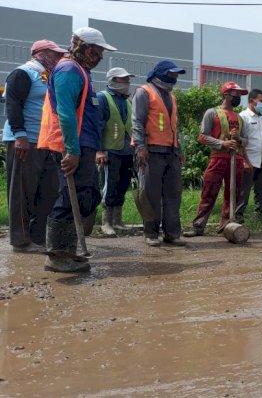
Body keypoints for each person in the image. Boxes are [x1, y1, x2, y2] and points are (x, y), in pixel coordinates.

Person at [38, 27, 116, 272]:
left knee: (87, 195)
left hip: (84, 143)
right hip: (71, 144)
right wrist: (71, 150)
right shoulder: (69, 69)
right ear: (84, 47)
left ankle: (67, 249)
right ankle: (58, 256)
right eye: (98, 50)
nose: (100, 56)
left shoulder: (81, 71)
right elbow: (66, 113)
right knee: (73, 195)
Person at [3, 39, 66, 253]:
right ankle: (20, 240)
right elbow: (12, 105)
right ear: (40, 53)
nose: (58, 58)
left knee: (48, 190)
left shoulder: (48, 77)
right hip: (24, 140)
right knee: (22, 191)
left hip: (45, 141)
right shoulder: (23, 73)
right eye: (54, 54)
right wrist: (19, 134)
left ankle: (38, 236)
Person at [131, 60, 187, 247]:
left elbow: (174, 127)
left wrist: (178, 149)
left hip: (170, 152)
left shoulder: (171, 97)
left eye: (176, 75)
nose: (175, 78)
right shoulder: (144, 92)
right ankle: (151, 233)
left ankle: (172, 233)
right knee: (150, 194)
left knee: (173, 193)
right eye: (172, 74)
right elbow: (137, 122)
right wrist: (140, 146)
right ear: (161, 73)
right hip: (150, 151)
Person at [184, 82, 249, 237]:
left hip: (237, 160)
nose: (239, 97)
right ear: (226, 95)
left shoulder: (240, 118)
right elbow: (203, 136)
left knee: (233, 193)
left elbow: (246, 141)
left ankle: (226, 227)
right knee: (209, 191)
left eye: (240, 95)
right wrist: (222, 143)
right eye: (236, 94)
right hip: (218, 158)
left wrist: (238, 138)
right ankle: (198, 226)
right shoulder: (212, 113)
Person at [96, 67, 136, 236]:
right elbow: (97, 126)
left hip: (127, 151)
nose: (127, 83)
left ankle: (118, 220)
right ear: (112, 81)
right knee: (109, 186)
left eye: (128, 79)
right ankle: (106, 222)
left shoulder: (127, 100)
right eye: (123, 80)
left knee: (122, 185)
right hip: (110, 150)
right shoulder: (102, 98)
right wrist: (99, 151)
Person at [237, 88, 262, 221]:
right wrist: (245, 161)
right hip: (249, 161)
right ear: (252, 101)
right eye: (261, 101)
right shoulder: (242, 117)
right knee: (243, 191)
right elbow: (240, 142)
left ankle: (260, 217)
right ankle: (238, 216)